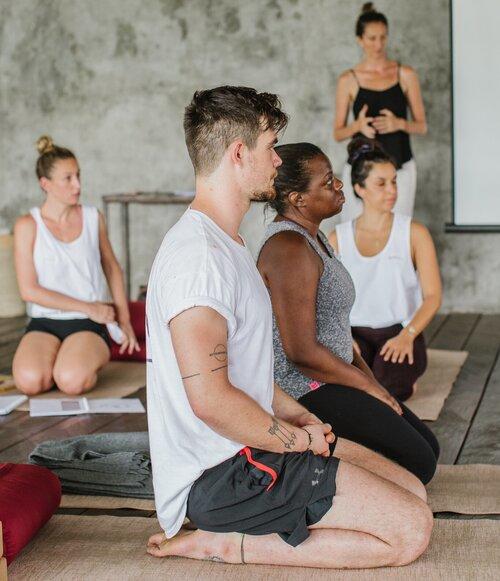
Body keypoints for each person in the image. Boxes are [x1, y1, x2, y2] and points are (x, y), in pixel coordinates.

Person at [146, 86, 432, 569]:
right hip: (224, 473)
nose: (277, 160)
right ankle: (225, 543)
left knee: (412, 490)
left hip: (254, 443)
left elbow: (248, 373)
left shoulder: (231, 244)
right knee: (411, 529)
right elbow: (211, 400)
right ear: (239, 153)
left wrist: (300, 417)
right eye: (271, 146)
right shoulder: (199, 260)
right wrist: (297, 441)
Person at [256, 142, 439, 484]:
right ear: (298, 199)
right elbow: (301, 352)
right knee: (419, 464)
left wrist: (372, 384)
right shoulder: (288, 247)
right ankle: (301, 459)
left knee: (429, 449)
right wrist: (369, 388)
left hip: (334, 375)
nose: (339, 185)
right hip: (305, 389)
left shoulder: (315, 238)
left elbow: (338, 334)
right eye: (328, 182)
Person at [13, 136, 139, 396]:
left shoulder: (93, 218)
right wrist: (88, 306)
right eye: (68, 178)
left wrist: (124, 318)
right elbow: (29, 290)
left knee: (71, 381)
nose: (78, 185)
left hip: (89, 322)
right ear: (45, 184)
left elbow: (112, 268)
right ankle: (58, 360)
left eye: (78, 175)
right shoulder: (27, 225)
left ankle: (73, 360)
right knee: (29, 382)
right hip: (45, 321)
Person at [329, 138, 442, 401]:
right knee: (350, 391)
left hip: (399, 331)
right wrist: (342, 338)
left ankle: (406, 378)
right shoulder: (337, 238)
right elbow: (326, 301)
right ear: (359, 188)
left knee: (384, 392)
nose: (392, 190)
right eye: (381, 183)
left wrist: (408, 336)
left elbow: (433, 297)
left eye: (394, 181)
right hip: (354, 333)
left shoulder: (415, 233)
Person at [334, 2, 427, 221]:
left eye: (383, 37)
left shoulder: (406, 74)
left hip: (400, 166)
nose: (378, 44)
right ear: (360, 40)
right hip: (361, 168)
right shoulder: (348, 79)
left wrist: (399, 124)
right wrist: (357, 126)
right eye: (372, 38)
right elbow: (337, 133)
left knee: (399, 228)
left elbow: (422, 126)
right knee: (354, 228)